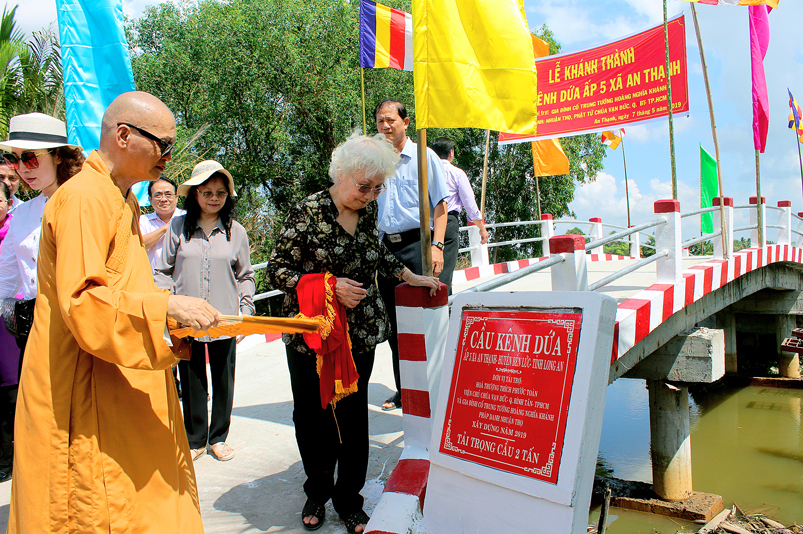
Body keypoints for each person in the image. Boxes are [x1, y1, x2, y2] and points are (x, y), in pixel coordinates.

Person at [7, 92, 220, 533]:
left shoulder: (120, 199)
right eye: (163, 144)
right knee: (95, 508)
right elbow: (83, 301)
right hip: (82, 383)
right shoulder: (84, 197)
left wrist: (170, 317)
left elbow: (125, 285)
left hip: (120, 375)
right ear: (123, 135)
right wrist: (164, 306)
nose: (168, 157)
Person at [266, 133, 440, 533]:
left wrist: (411, 275)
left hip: (358, 334)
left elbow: (377, 254)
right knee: (312, 416)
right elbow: (277, 270)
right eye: (364, 186)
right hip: (312, 337)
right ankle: (317, 490)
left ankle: (349, 498)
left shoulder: (368, 209)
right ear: (341, 173)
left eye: (378, 188)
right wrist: (329, 286)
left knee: (352, 417)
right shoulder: (307, 211)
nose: (370, 195)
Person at [0, 113, 85, 485]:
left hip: (84, 331)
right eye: (16, 159)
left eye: (31, 158)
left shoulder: (86, 201)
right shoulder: (22, 215)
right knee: (45, 426)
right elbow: (5, 279)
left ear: (59, 156)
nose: (22, 169)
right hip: (37, 334)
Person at [155, 160, 255, 463]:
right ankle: (196, 438)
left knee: (224, 379)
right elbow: (162, 271)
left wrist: (245, 310)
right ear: (195, 194)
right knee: (192, 379)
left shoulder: (236, 232)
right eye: (207, 192)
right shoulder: (178, 227)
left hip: (224, 319)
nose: (214, 198)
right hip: (186, 320)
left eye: (220, 193)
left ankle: (218, 437)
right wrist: (169, 307)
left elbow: (246, 275)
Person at [373, 99, 449, 411]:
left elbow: (441, 205)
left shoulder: (424, 156)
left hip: (418, 244)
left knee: (423, 318)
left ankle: (436, 387)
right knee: (395, 324)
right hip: (385, 249)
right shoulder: (375, 160)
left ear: (405, 122)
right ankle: (404, 390)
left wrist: (437, 245)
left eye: (391, 120)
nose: (385, 126)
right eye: (380, 121)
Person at [430, 136, 490, 292]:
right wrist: (482, 228)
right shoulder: (456, 173)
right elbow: (470, 205)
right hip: (448, 222)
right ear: (451, 152)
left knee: (425, 271)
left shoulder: (425, 172)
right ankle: (444, 305)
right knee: (445, 271)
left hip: (425, 223)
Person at [140, 176, 185, 270]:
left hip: (183, 276)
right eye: (158, 195)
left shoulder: (188, 217)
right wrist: (165, 228)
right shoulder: (143, 220)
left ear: (176, 197)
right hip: (153, 277)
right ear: (150, 199)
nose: (163, 199)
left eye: (168, 194)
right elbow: (140, 244)